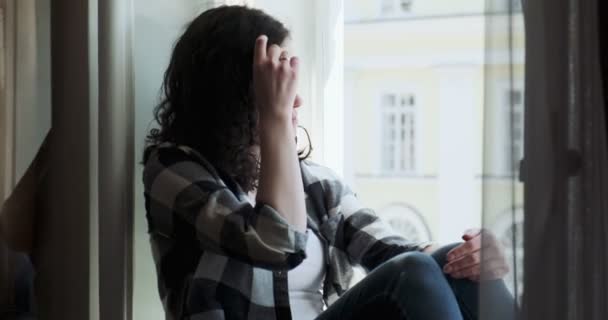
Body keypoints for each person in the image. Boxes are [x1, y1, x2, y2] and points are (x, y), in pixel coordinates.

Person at [142, 5, 515, 320]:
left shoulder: (317, 184)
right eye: (281, 85)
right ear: (236, 89)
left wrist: (472, 255)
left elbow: (393, 252)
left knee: (460, 266)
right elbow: (279, 243)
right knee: (412, 273)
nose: (296, 101)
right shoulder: (174, 169)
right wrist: (274, 119)